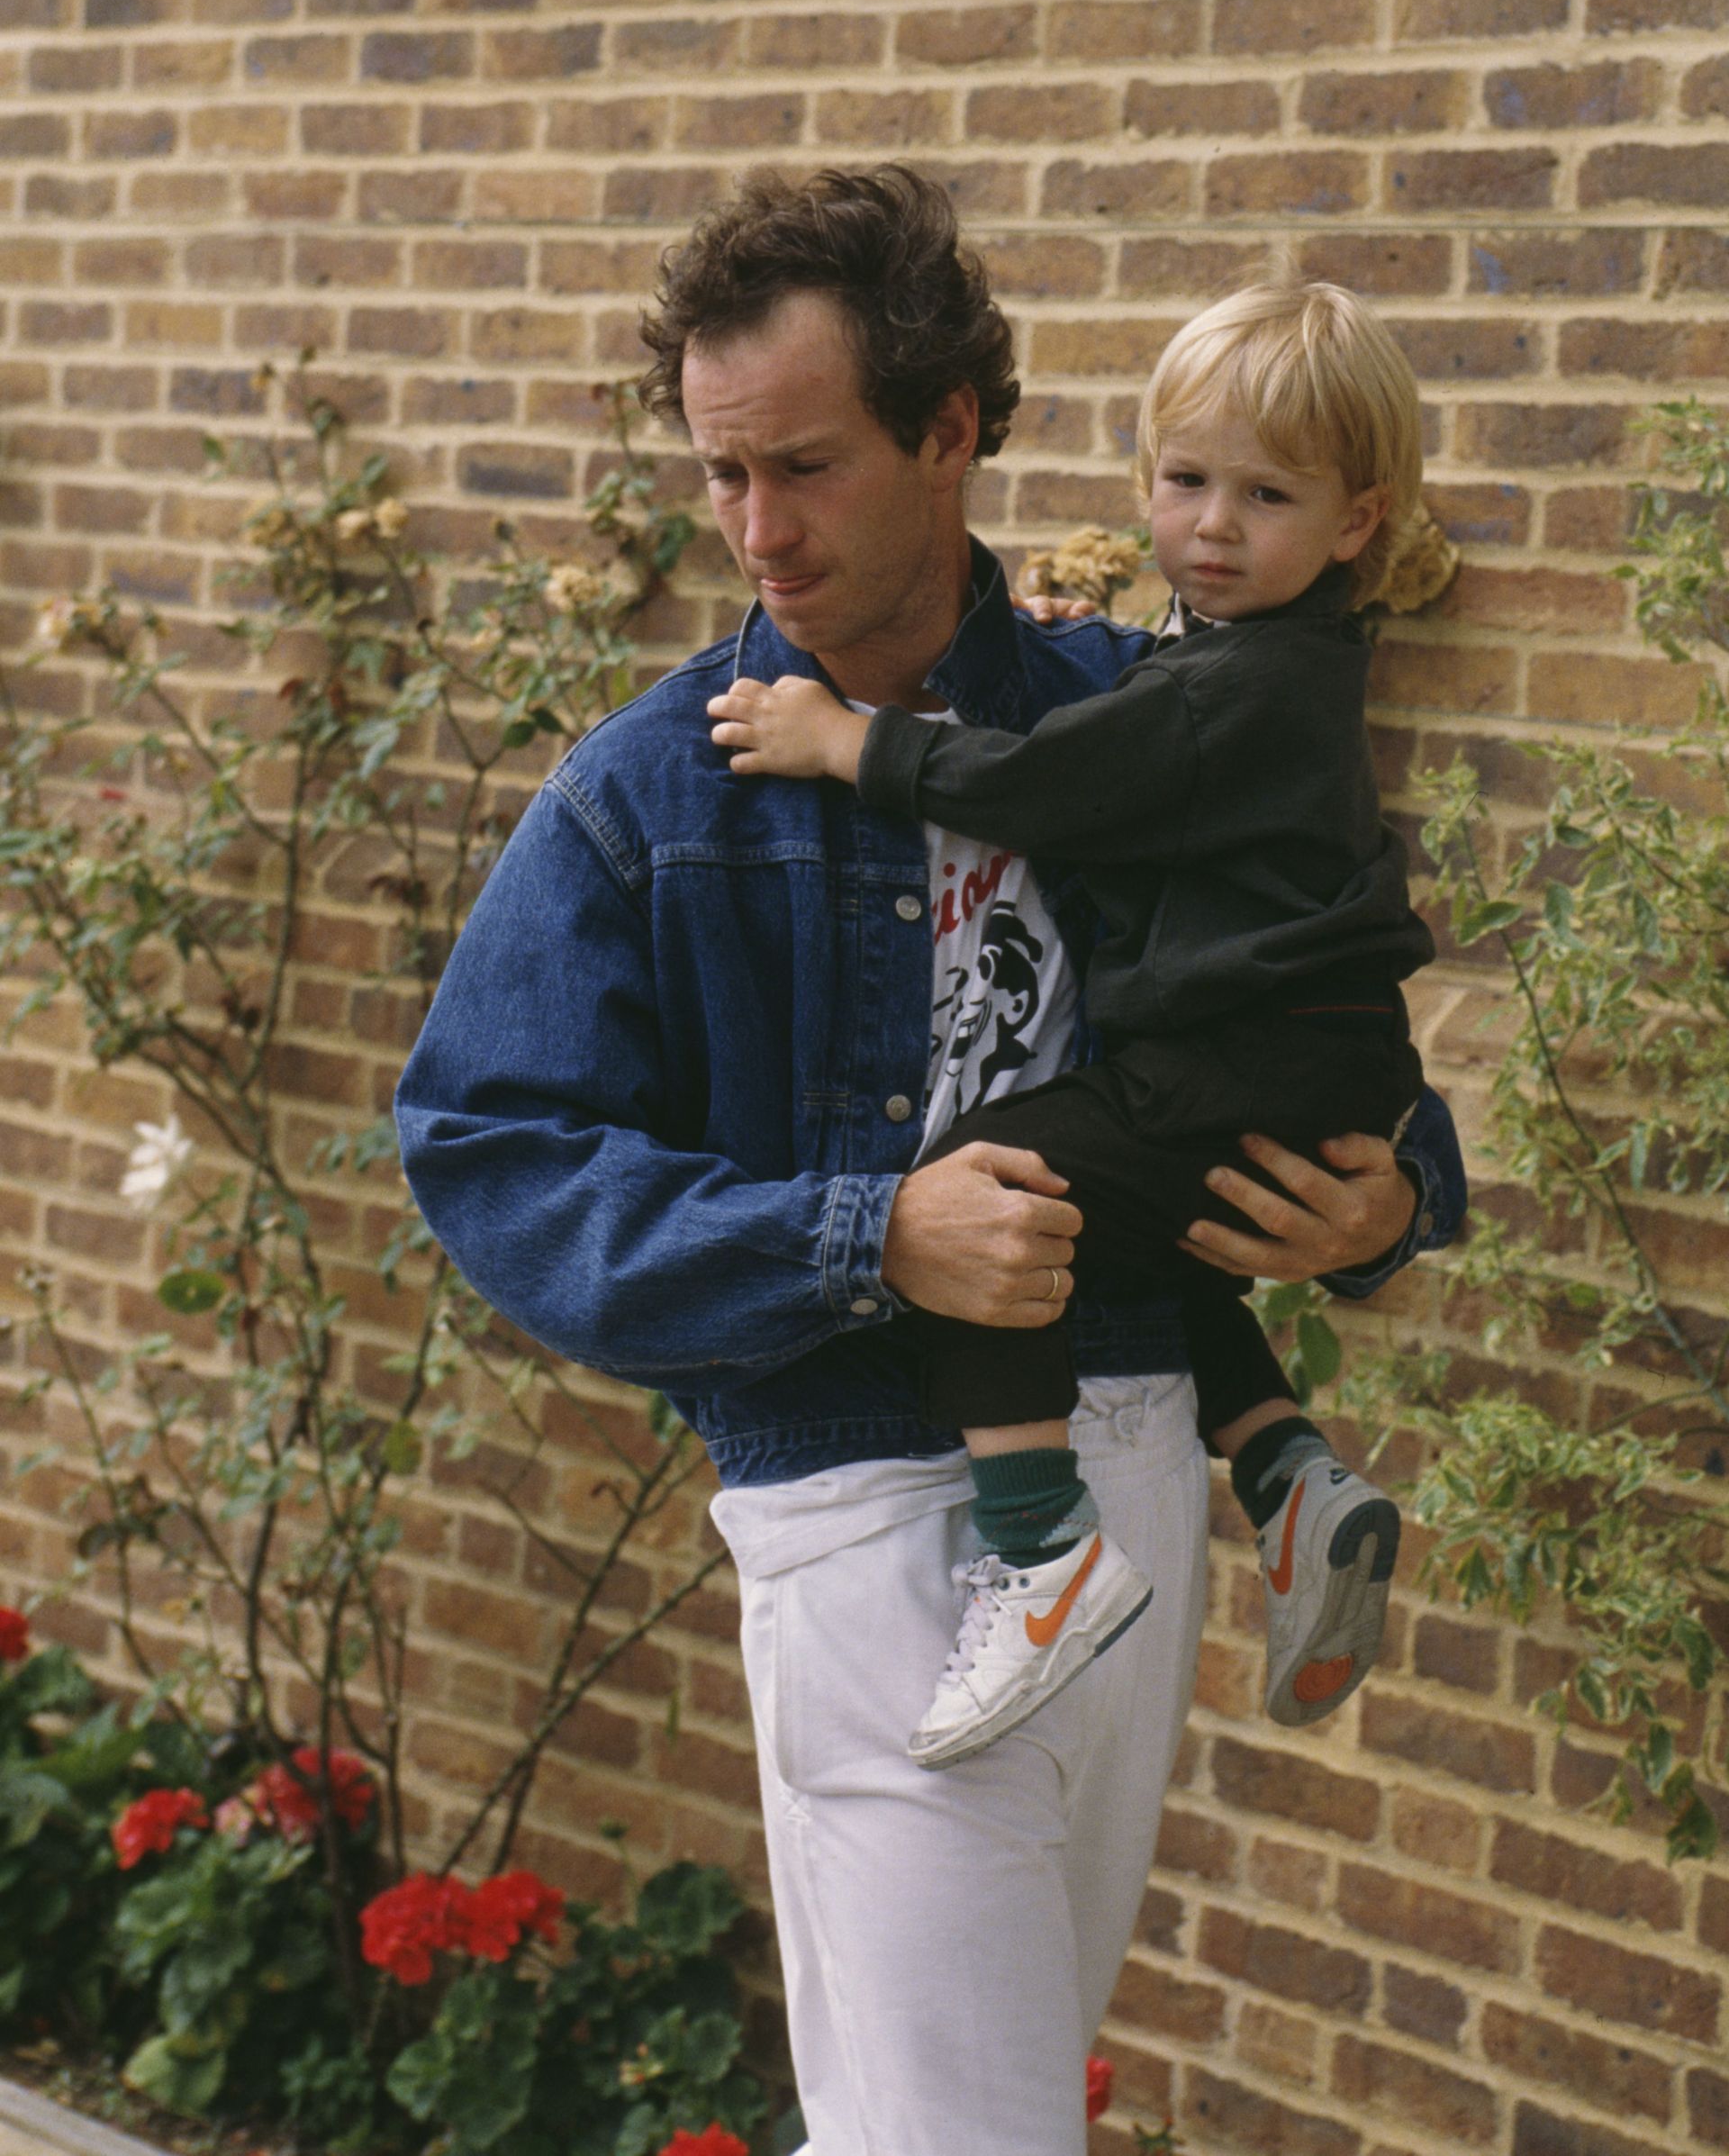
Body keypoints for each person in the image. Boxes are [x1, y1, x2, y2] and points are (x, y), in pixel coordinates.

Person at [395, 168, 1466, 2156]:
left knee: (960, 2104)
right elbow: (489, 1147)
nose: (755, 531)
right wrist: (864, 1230)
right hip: (865, 1502)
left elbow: (1310, 985)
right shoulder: (653, 789)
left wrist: (1399, 1189)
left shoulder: (1132, 702)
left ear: (954, 430)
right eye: (721, 476)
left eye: (803, 465)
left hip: (1142, 1476)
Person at [708, 281, 1433, 1771]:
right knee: (1134, 1233)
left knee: (986, 1197)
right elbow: (1132, 734)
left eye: (1267, 495)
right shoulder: (1233, 668)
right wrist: (1083, 656)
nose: (1213, 525)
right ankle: (1290, 1470)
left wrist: (846, 741)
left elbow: (1048, 789)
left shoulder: (1236, 685)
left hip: (1253, 1051)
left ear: (1357, 523)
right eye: (1185, 482)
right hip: (1303, 1051)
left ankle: (1038, 1552)